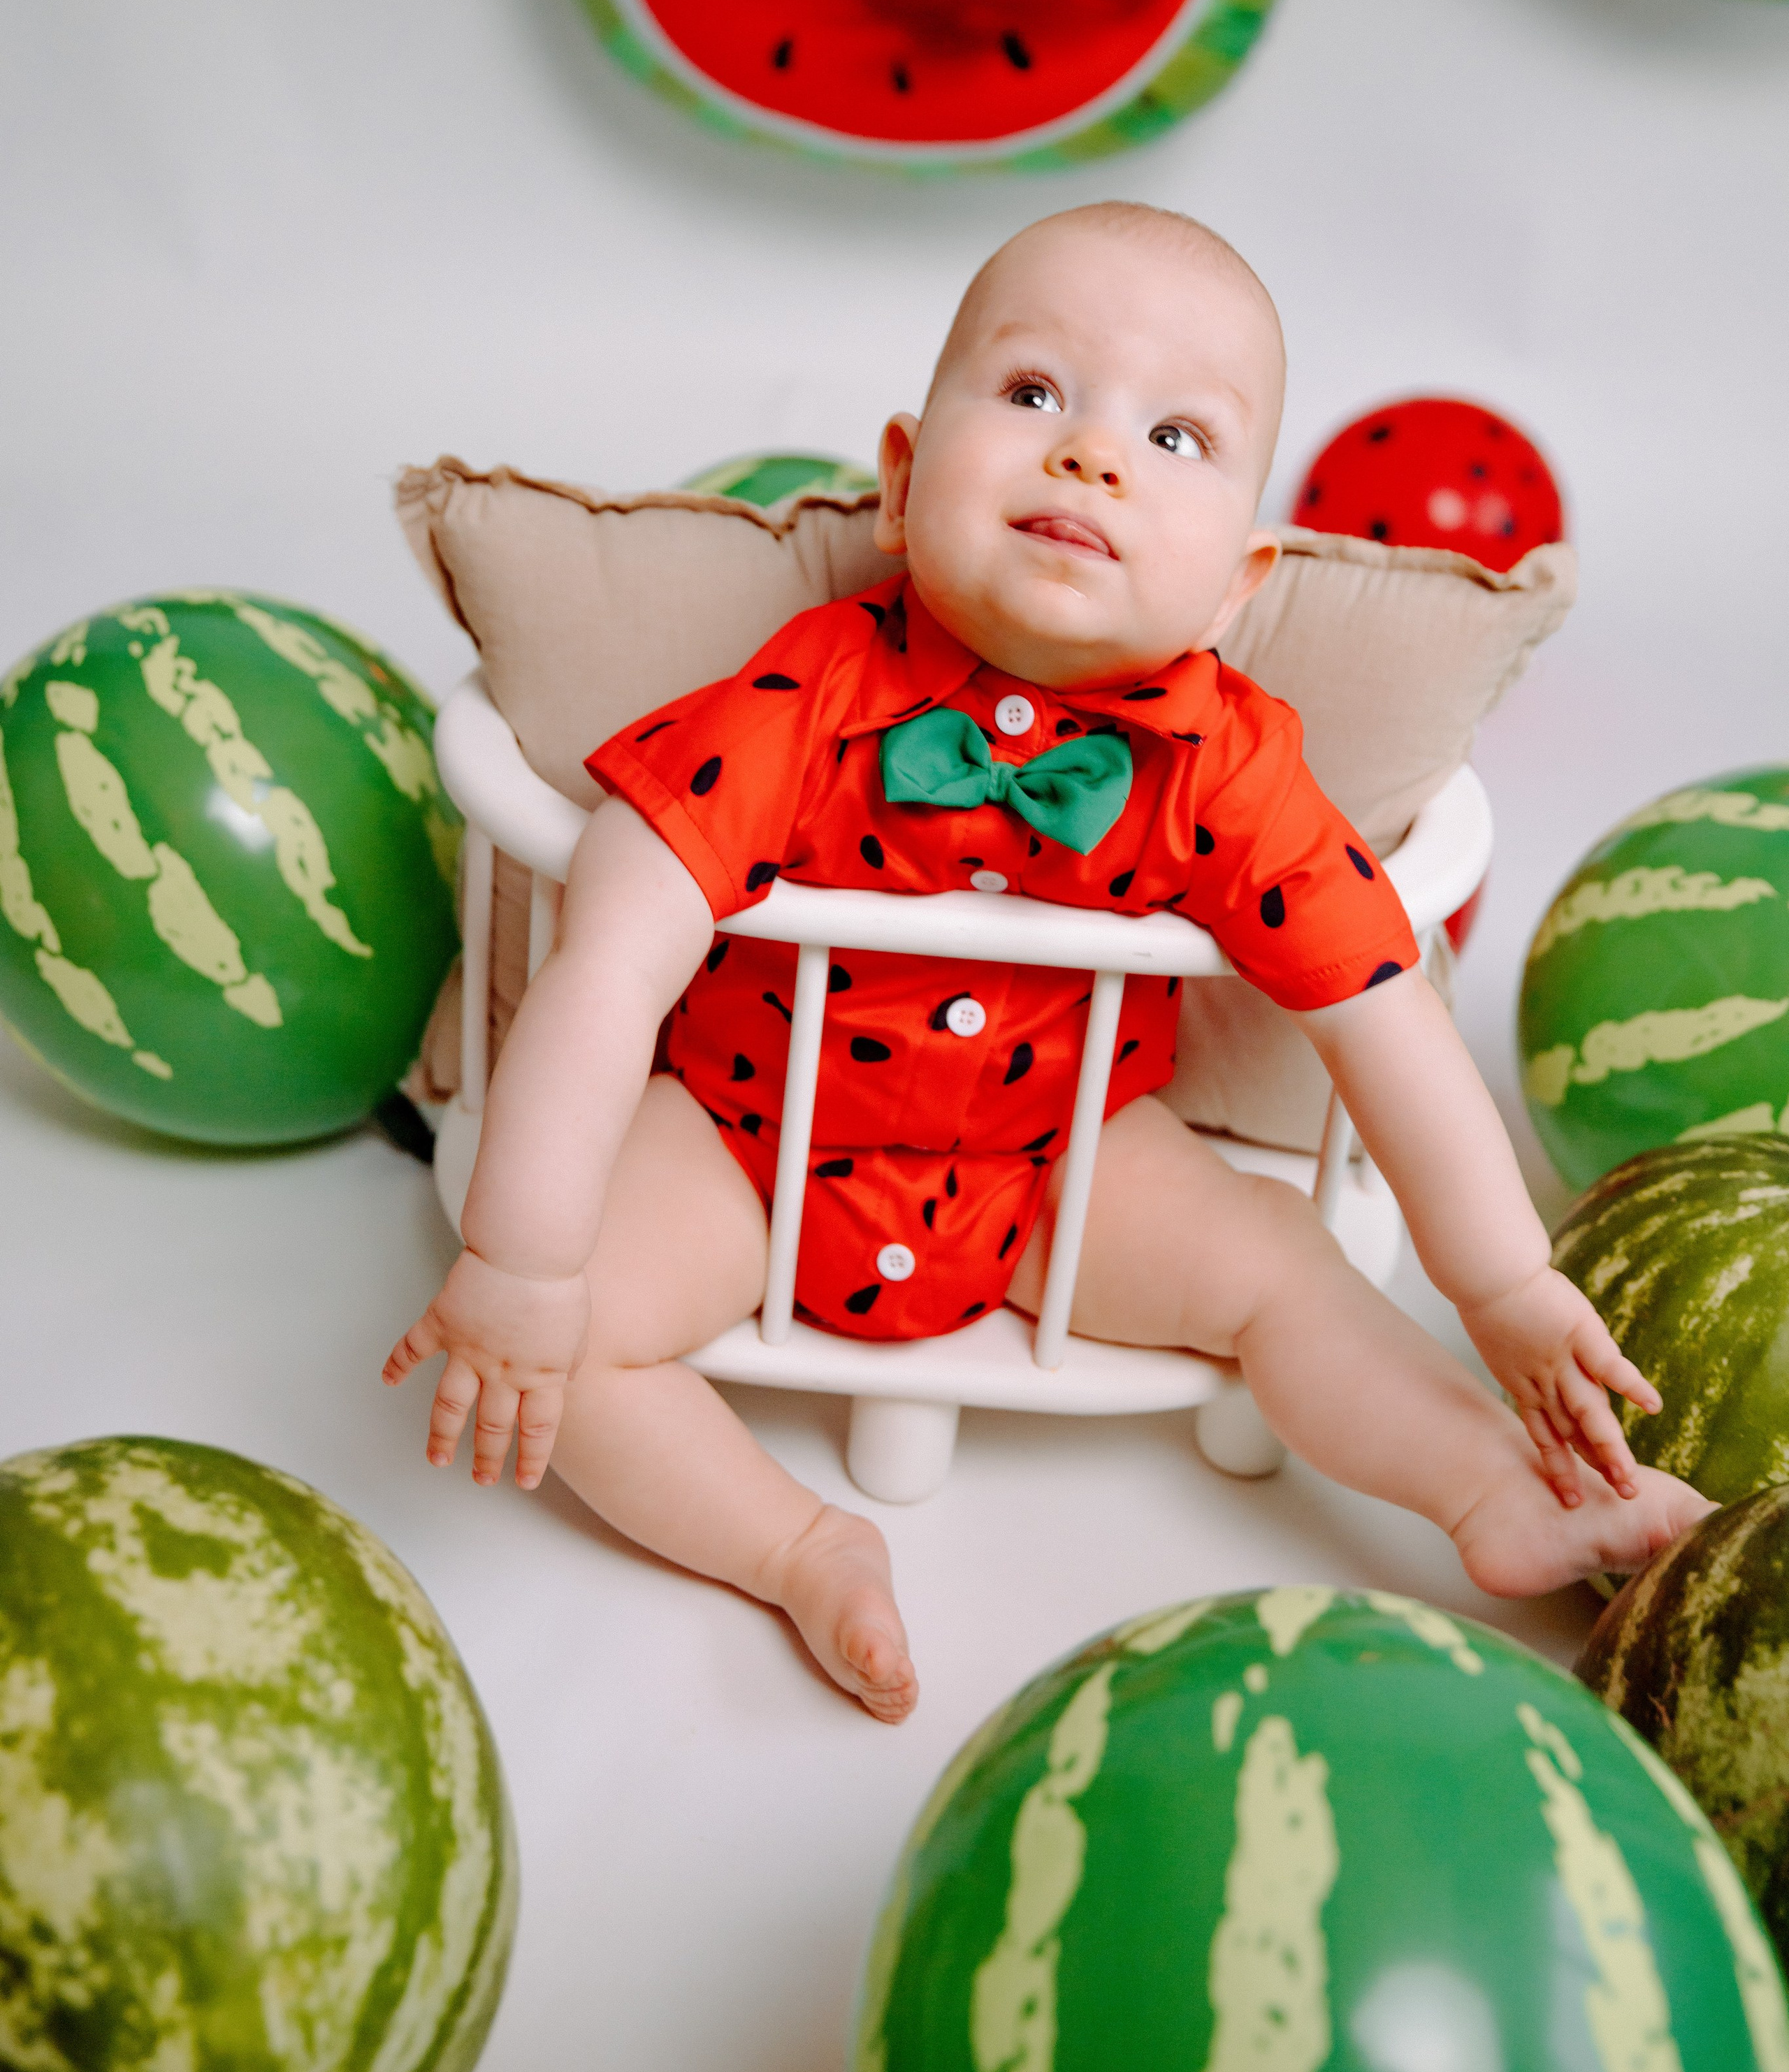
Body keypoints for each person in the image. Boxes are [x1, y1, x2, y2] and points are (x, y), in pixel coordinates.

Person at [384, 202, 1710, 1723]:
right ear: (896, 483)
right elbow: (609, 961)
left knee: (1286, 1273)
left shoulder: (1224, 763)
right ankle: (796, 1547)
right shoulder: (800, 699)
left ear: (1233, 588)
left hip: (1062, 1164)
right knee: (568, 1365)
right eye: (1030, 396)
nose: (1089, 454)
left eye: (1175, 437)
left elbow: (1376, 1012)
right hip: (755, 1142)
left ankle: (1485, 1490)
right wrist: (523, 1258)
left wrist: (1503, 1285)